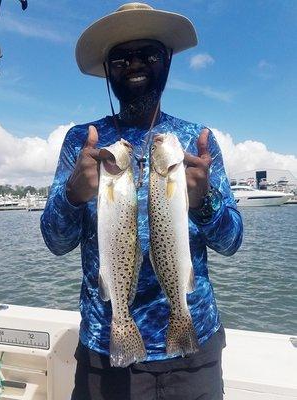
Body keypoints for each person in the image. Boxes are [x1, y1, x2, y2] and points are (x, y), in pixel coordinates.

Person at [40, 3, 243, 399]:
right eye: (121, 57)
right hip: (105, 347)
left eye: (148, 54)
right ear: (107, 68)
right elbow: (55, 242)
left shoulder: (195, 140)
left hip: (193, 345)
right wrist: (73, 195)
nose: (134, 64)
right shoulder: (83, 142)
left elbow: (231, 242)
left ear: (166, 60)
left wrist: (206, 203)